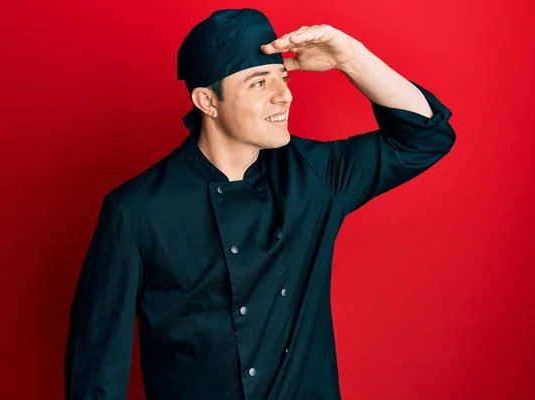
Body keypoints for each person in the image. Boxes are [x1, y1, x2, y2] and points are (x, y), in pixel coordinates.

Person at [63, 8, 456, 400]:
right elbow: (98, 369)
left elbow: (426, 137)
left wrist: (349, 57)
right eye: (258, 82)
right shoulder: (136, 210)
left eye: (282, 78)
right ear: (206, 101)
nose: (284, 95)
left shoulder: (314, 175)